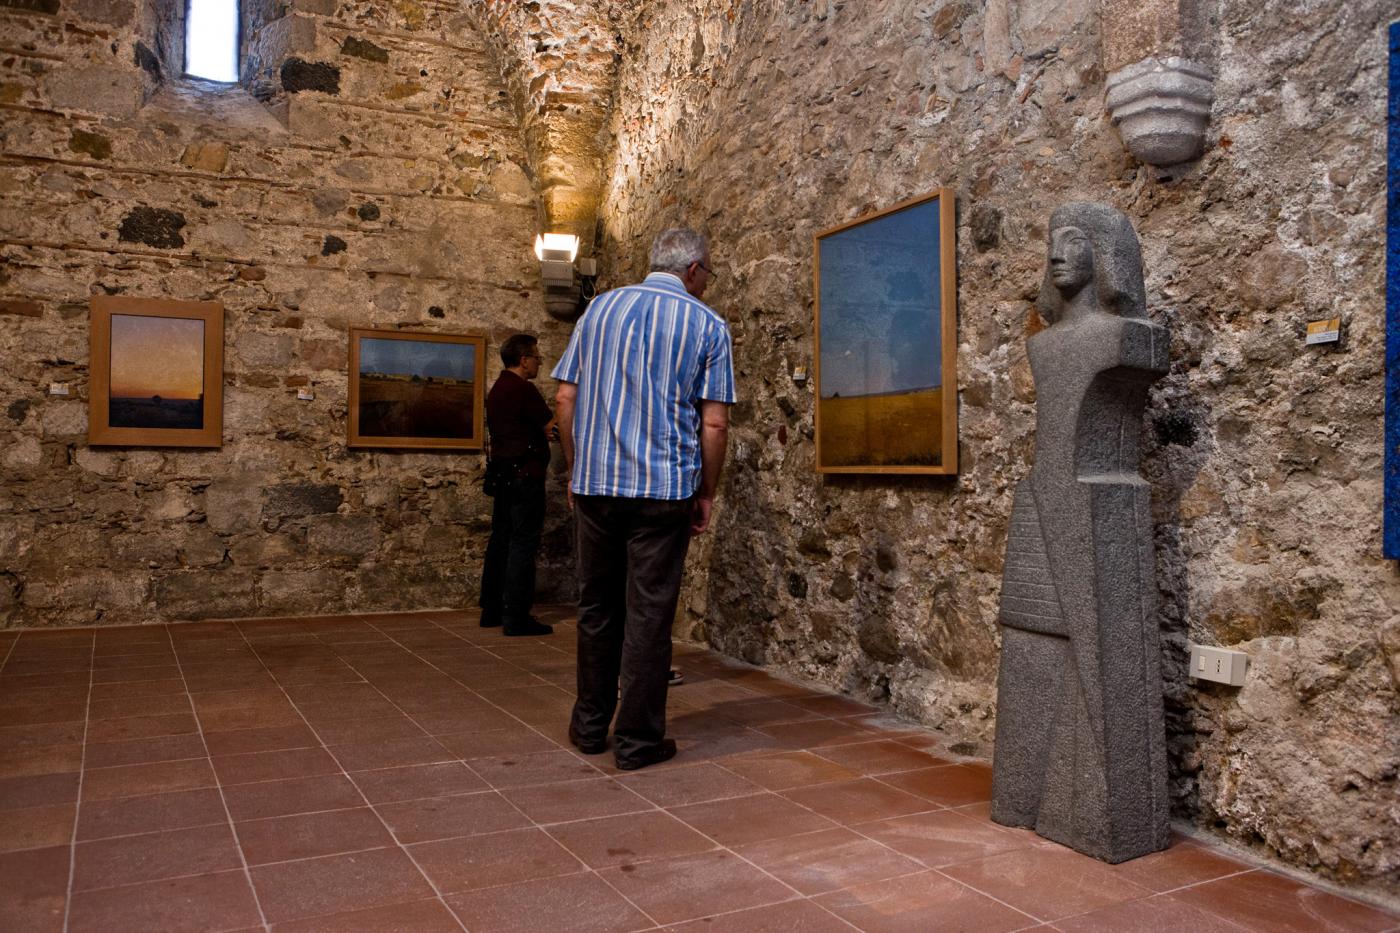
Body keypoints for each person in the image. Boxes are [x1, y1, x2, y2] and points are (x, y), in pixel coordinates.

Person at [552, 227, 736, 771]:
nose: (706, 283)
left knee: (597, 607)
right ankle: (636, 741)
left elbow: (565, 397)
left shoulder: (599, 310)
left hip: (597, 485)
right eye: (707, 274)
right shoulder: (707, 324)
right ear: (693, 270)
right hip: (663, 490)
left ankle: (589, 726)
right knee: (649, 614)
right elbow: (715, 423)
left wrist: (576, 467)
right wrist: (707, 491)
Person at [478, 333, 555, 637]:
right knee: (523, 543)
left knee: (501, 539)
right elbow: (551, 427)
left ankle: (492, 609)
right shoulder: (524, 390)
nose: (539, 363)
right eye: (537, 357)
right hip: (525, 475)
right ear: (524, 360)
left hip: (503, 476)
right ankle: (517, 615)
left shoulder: (498, 389)